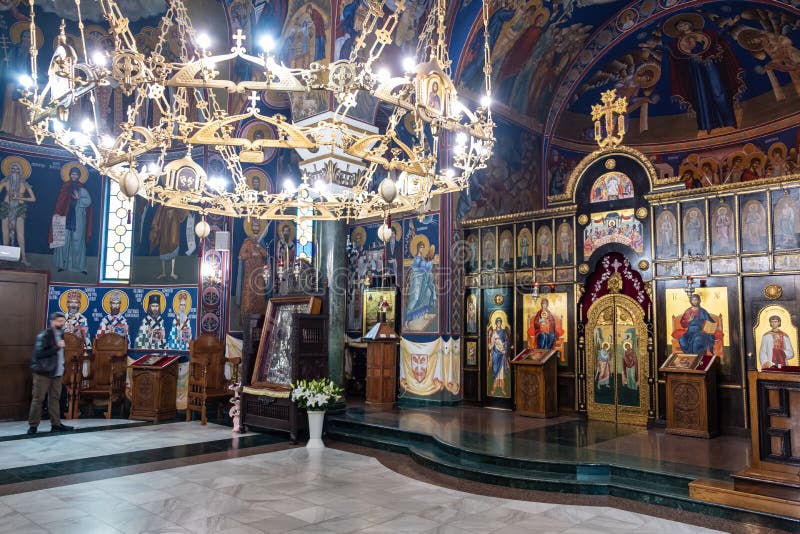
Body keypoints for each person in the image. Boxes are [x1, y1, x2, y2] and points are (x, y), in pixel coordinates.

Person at [27, 312, 74, 434]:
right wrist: (56, 347)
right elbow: (39, 354)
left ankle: (56, 424)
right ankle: (33, 426)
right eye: (59, 321)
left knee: (55, 399)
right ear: (52, 322)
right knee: (38, 399)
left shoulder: (61, 335)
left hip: (57, 373)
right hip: (43, 372)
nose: (62, 323)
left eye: (63, 321)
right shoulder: (44, 335)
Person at [51, 165, 92, 274]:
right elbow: (60, 203)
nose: (74, 176)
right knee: (63, 241)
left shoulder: (82, 188)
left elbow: (88, 202)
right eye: (72, 174)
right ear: (69, 175)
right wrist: (57, 213)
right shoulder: (65, 187)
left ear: (79, 176)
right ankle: (61, 265)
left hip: (78, 218)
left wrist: (79, 199)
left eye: (76, 174)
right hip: (65, 217)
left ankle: (78, 267)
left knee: (77, 241)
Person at [0, 159, 35, 265]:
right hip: (6, 208)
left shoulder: (24, 184)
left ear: (20, 171)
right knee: (5, 233)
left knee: (20, 234)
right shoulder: (5, 182)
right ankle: (4, 256)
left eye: (17, 169)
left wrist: (21, 197)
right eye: (12, 169)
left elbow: (33, 198)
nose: (15, 171)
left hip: (19, 208)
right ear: (9, 170)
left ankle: (23, 258)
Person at [238, 219, 270, 318]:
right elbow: (241, 255)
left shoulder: (262, 241)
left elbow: (266, 254)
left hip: (259, 271)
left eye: (257, 226)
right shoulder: (247, 241)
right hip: (249, 272)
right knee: (249, 293)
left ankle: (260, 316)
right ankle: (247, 316)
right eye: (254, 226)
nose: (256, 228)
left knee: (259, 292)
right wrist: (252, 253)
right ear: (251, 228)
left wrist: (259, 247)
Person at [149, 206, 188, 280]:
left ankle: (172, 272)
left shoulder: (176, 202)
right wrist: (155, 227)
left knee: (173, 244)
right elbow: (158, 215)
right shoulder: (162, 205)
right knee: (163, 246)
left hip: (174, 223)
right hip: (164, 223)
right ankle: (163, 272)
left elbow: (182, 212)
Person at [405, 241, 436, 327]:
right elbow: (424, 266)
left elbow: (426, 267)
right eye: (421, 247)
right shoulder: (416, 258)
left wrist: (430, 262)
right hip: (417, 281)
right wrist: (430, 262)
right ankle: (408, 320)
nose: (422, 249)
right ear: (418, 248)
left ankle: (425, 314)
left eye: (423, 247)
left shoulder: (422, 258)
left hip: (424, 280)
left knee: (428, 294)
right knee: (416, 298)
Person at [489, 317, 510, 396]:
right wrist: (490, 346)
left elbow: (506, 342)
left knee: (501, 372)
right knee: (495, 370)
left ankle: (503, 388)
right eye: (497, 322)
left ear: (501, 323)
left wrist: (503, 348)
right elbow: (492, 343)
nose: (499, 323)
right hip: (495, 354)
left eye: (500, 322)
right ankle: (494, 389)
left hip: (502, 355)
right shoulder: (494, 332)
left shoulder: (503, 332)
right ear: (495, 323)